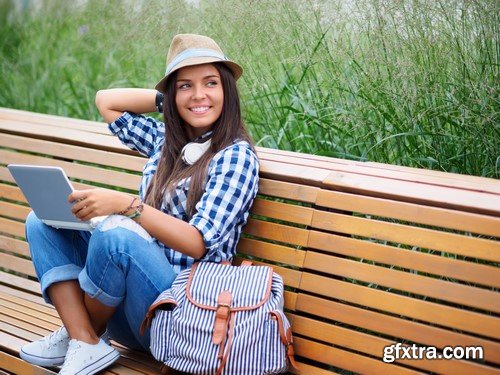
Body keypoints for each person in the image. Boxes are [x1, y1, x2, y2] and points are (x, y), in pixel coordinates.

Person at [19, 34, 259, 375]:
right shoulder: (166, 143)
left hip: (176, 318)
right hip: (128, 310)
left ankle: (84, 336)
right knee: (42, 221)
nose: (199, 94)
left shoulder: (235, 157)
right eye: (185, 86)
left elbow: (198, 242)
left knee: (117, 236)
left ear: (228, 92)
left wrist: (127, 206)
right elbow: (107, 102)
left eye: (211, 84)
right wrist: (173, 100)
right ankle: (83, 337)